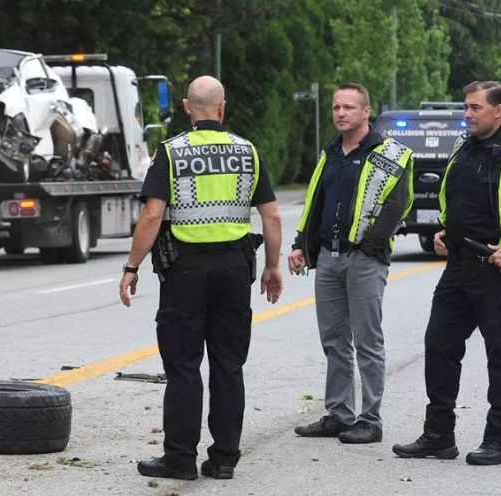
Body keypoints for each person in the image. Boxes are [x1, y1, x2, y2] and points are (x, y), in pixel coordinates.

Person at [118, 75, 283, 481]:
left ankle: (180, 458)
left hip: (185, 273)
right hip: (234, 270)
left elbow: (153, 216)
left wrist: (131, 266)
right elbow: (272, 215)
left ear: (188, 108)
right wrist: (272, 266)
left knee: (183, 365)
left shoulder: (171, 153)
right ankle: (224, 458)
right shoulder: (247, 152)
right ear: (222, 108)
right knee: (229, 365)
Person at [393, 81, 501, 465]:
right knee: (439, 345)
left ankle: (499, 441)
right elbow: (460, 198)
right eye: (466, 107)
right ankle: (438, 436)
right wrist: (445, 230)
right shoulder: (464, 146)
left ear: (500, 110)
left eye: (475, 108)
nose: (467, 114)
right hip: (459, 266)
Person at [289, 83, 413, 444]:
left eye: (348, 107)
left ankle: (370, 419)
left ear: (366, 112)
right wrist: (303, 245)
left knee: (368, 341)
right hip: (328, 257)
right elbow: (316, 202)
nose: (340, 113)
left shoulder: (390, 154)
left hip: (364, 260)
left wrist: (369, 248)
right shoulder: (330, 154)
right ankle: (340, 414)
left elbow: (396, 205)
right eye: (335, 107)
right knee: (334, 340)